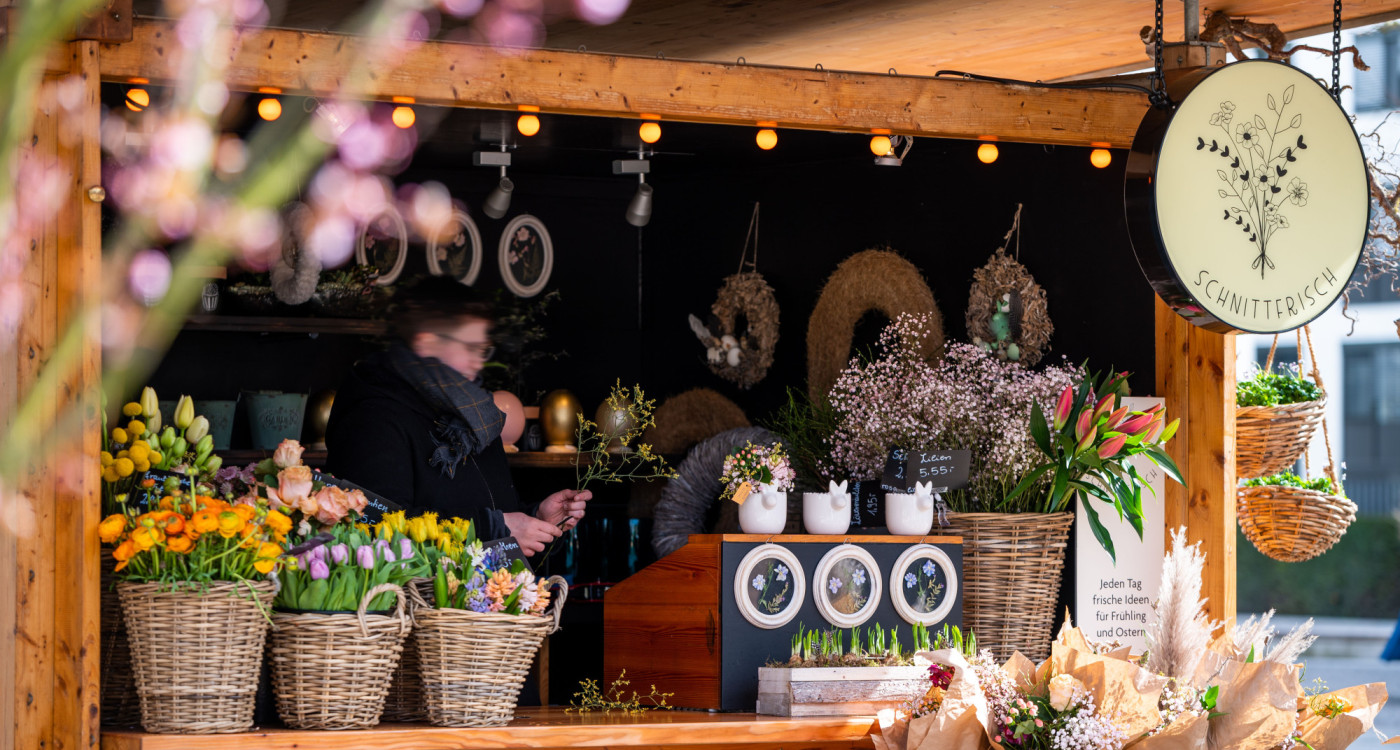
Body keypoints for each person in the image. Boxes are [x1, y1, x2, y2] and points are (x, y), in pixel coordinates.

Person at [325, 277, 588, 556]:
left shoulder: (475, 414)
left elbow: (490, 514)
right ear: (427, 342)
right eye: (470, 348)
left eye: (482, 349)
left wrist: (536, 519)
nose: (479, 361)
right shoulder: (374, 417)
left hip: (475, 598)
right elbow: (374, 527)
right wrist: (493, 529)